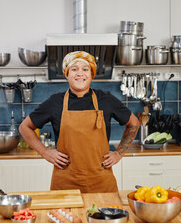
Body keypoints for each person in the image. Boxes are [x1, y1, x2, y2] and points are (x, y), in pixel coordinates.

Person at [19, 51, 139, 193]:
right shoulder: (55, 102)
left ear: (91, 74)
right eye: (74, 69)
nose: (80, 73)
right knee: (65, 216)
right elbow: (24, 127)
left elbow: (134, 123)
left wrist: (118, 153)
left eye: (85, 69)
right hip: (65, 182)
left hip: (101, 181)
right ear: (67, 75)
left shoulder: (105, 99)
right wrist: (45, 153)